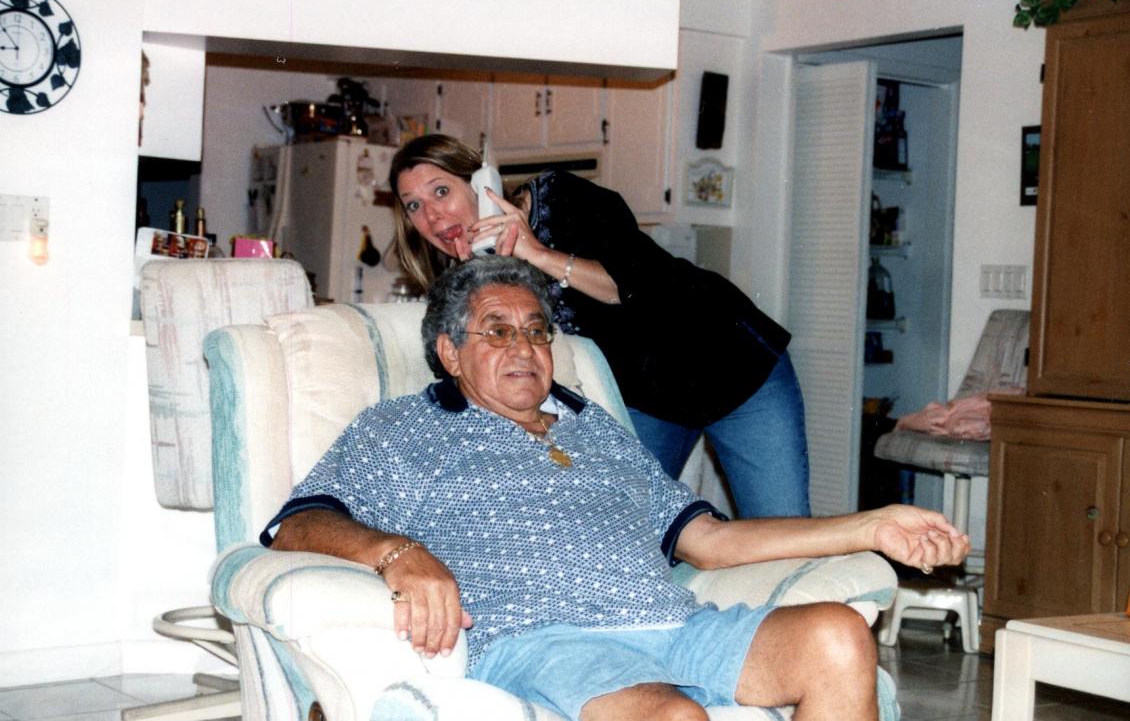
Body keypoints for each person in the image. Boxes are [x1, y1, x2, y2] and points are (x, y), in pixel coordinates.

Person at [264, 256, 969, 720]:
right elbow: (296, 522)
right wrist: (396, 553)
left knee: (839, 636)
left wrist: (871, 526)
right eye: (496, 332)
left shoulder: (594, 426)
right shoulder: (403, 428)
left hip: (675, 626)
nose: (524, 347)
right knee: (673, 718)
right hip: (542, 639)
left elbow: (710, 541)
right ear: (450, 352)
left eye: (537, 331)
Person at [387, 134, 809, 519]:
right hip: (649, 399)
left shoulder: (563, 197)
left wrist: (537, 253)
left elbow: (633, 285)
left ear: (481, 184)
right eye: (414, 205)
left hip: (732, 363)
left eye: (441, 191)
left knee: (783, 527)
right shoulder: (465, 272)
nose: (432, 215)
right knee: (630, 528)